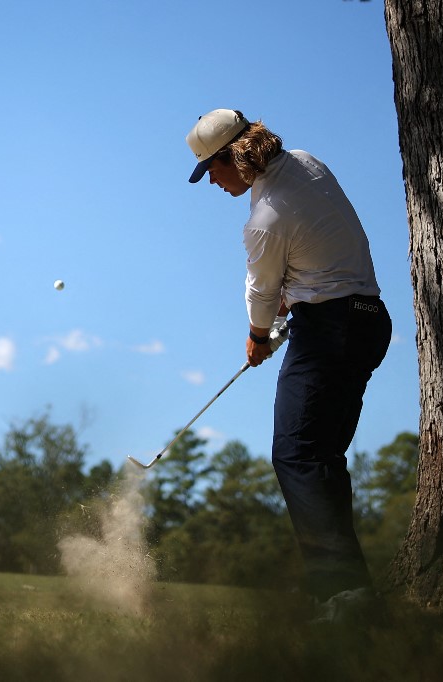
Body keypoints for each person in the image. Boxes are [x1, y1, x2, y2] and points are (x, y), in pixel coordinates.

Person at [185, 109, 392, 613]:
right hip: (368, 322)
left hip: (330, 331)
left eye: (211, 169)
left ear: (234, 155)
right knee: (321, 458)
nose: (211, 181)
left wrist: (258, 336)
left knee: (297, 454)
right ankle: (348, 587)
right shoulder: (306, 163)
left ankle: (342, 591)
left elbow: (260, 293)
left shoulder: (264, 219)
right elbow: (321, 244)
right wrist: (295, 293)